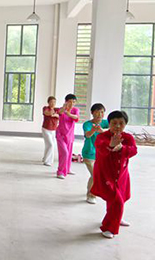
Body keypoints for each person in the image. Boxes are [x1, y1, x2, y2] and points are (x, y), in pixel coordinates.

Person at [91, 111, 137, 239]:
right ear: (109, 123)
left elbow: (133, 151)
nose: (117, 126)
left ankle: (116, 217)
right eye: (114, 123)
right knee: (117, 201)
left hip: (121, 175)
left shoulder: (128, 138)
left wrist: (122, 148)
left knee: (118, 198)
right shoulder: (102, 137)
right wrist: (110, 145)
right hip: (106, 174)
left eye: (121, 123)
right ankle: (109, 227)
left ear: (125, 124)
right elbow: (100, 149)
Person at [82, 103, 109, 204]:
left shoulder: (105, 122)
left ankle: (90, 189)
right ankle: (91, 195)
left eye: (102, 112)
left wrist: (103, 131)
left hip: (101, 154)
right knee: (96, 175)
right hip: (89, 153)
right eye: (97, 112)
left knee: (95, 175)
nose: (100, 114)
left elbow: (114, 128)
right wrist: (94, 130)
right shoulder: (87, 124)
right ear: (92, 113)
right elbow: (87, 135)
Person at [56, 94, 80, 179]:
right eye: (70, 101)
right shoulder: (61, 109)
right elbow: (60, 112)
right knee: (64, 153)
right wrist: (64, 108)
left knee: (69, 154)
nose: (72, 103)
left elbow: (76, 117)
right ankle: (60, 171)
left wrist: (69, 114)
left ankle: (67, 169)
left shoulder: (75, 110)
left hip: (70, 135)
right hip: (60, 135)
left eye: (73, 102)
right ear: (66, 102)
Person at [41, 96, 59, 166]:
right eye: (51, 102)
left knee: (48, 145)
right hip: (46, 129)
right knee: (51, 144)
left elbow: (60, 116)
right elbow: (47, 113)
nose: (53, 103)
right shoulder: (45, 108)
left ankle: (45, 158)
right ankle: (47, 161)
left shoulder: (57, 109)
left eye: (54, 102)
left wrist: (56, 114)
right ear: (48, 102)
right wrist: (53, 114)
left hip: (53, 130)